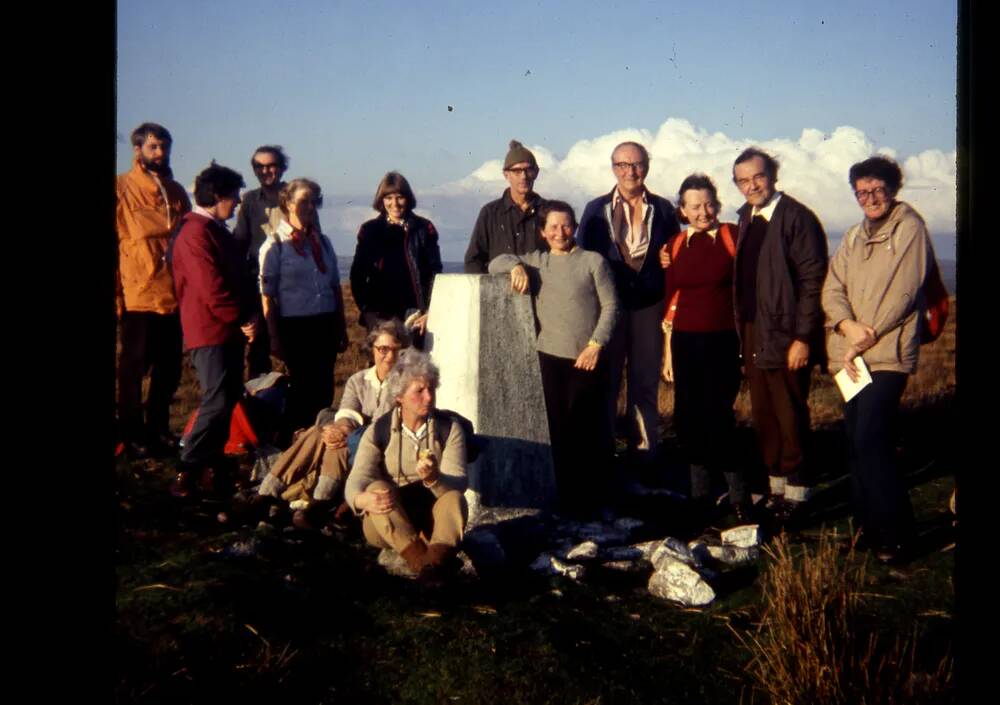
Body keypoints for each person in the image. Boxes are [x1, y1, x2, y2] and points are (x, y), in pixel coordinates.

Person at [822, 155, 931, 563]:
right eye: (861, 191)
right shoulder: (853, 236)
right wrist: (846, 325)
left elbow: (903, 294)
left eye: (876, 189)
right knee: (855, 439)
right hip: (851, 357)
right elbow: (833, 288)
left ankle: (899, 536)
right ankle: (869, 528)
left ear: (893, 188)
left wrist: (863, 338)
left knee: (872, 438)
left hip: (886, 355)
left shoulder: (910, 229)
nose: (869, 198)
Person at [489, 201, 619, 517]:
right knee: (557, 430)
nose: (560, 232)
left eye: (566, 225)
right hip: (548, 357)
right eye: (553, 227)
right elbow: (496, 263)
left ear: (574, 227)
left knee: (587, 429)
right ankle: (564, 498)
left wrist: (595, 345)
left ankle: (595, 499)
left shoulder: (593, 261)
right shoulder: (537, 261)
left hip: (586, 358)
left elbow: (612, 307)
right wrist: (516, 267)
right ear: (543, 232)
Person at [732, 147, 828, 519]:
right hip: (755, 331)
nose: (751, 185)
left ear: (772, 176)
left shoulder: (796, 218)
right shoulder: (747, 218)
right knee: (765, 413)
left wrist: (803, 337)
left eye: (758, 177)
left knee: (789, 412)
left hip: (788, 333)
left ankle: (799, 495)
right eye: (743, 180)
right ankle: (776, 490)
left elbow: (812, 280)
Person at [577, 141, 679, 480]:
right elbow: (583, 260)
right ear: (612, 168)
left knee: (644, 382)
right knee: (606, 382)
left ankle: (644, 456)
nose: (630, 172)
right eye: (622, 165)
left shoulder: (664, 210)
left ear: (647, 166)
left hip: (649, 305)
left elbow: (675, 256)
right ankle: (602, 454)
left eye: (636, 164)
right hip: (610, 308)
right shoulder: (595, 208)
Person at [257, 319, 410, 526]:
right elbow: (347, 409)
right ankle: (269, 496)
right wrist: (341, 428)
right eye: (383, 349)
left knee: (338, 441)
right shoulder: (358, 380)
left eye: (395, 350)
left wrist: (347, 433)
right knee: (321, 433)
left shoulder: (405, 384)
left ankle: (312, 501)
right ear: (372, 349)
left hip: (378, 447)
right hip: (351, 437)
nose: (389, 357)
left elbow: (390, 422)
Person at [660, 174, 749, 522]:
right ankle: (700, 495)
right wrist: (668, 353)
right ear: (683, 210)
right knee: (687, 417)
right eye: (695, 206)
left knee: (719, 417)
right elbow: (672, 300)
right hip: (684, 341)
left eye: (709, 204)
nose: (703, 211)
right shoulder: (676, 245)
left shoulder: (732, 236)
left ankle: (740, 497)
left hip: (722, 340)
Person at [170, 163, 257, 497]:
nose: (236, 204)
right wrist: (242, 319)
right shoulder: (195, 233)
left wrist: (243, 318)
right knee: (217, 400)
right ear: (216, 196)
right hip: (210, 332)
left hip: (226, 330)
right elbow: (212, 289)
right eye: (232, 198)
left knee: (227, 397)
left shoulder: (213, 230)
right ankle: (187, 469)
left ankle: (213, 467)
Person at [345, 350, 468, 586]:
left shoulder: (448, 429)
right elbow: (357, 480)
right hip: (390, 519)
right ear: (399, 396)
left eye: (431, 389)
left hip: (432, 516)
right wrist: (362, 501)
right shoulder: (378, 430)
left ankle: (430, 566)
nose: (429, 397)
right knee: (377, 487)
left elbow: (459, 483)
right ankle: (428, 566)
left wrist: (434, 479)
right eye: (419, 391)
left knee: (454, 498)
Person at [115, 122, 191, 458]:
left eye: (164, 147)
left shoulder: (175, 191)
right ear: (138, 150)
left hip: (173, 295)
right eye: (153, 147)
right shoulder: (121, 188)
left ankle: (158, 429)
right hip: (137, 295)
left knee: (169, 369)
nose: (160, 153)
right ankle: (131, 433)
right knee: (132, 370)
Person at [259, 178, 348, 432]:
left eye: (313, 201)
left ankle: (319, 443)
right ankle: (295, 445)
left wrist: (341, 327)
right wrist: (274, 338)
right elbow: (268, 296)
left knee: (324, 389)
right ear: (287, 203)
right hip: (296, 327)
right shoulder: (275, 245)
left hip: (325, 323)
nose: (309, 207)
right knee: (301, 390)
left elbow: (334, 287)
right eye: (302, 201)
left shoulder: (324, 243)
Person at [350, 172, 443, 342]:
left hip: (416, 315)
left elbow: (435, 274)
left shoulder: (424, 228)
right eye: (389, 198)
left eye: (400, 197)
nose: (395, 204)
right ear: (381, 199)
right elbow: (358, 276)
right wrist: (367, 313)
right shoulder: (369, 231)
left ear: (408, 198)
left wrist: (431, 311)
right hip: (381, 317)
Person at [232, 145, 297, 378]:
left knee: (293, 347)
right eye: (259, 166)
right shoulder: (249, 201)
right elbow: (240, 240)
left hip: (292, 281)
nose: (265, 171)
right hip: (258, 283)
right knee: (258, 348)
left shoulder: (296, 195)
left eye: (270, 165)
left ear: (281, 168)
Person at [463, 140, 548, 273]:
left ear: (536, 172)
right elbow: (474, 261)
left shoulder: (549, 212)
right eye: (517, 171)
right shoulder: (490, 213)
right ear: (506, 174)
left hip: (542, 291)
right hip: (500, 291)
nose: (524, 176)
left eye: (528, 170)